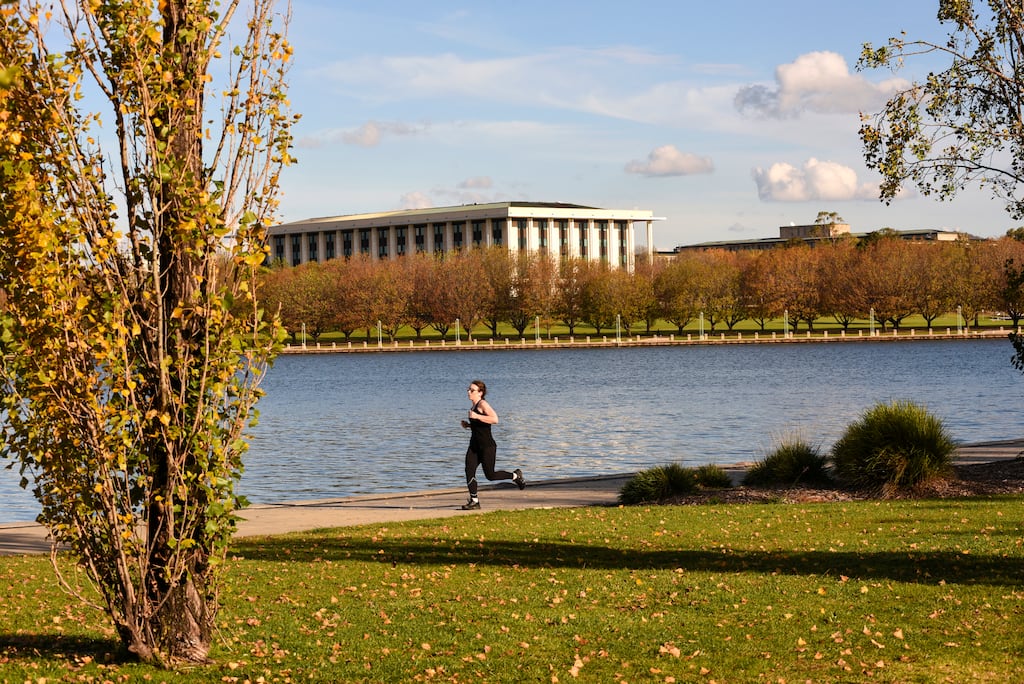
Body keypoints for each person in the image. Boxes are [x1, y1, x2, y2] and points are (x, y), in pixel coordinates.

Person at [459, 380, 526, 510]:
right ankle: (474, 501)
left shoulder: (482, 404)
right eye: (469, 389)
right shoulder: (473, 407)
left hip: (487, 446)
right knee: (469, 469)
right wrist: (468, 425)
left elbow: (495, 419)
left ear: (480, 393)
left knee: (490, 475)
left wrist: (477, 417)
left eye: (472, 390)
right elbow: (480, 427)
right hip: (474, 446)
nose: (469, 392)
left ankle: (516, 476)